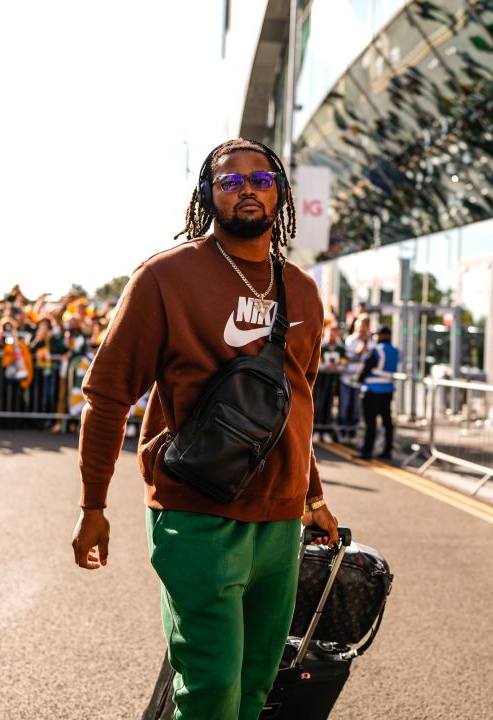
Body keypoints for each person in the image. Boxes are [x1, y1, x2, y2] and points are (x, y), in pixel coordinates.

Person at [70, 138, 338, 720]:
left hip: (280, 521)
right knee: (211, 686)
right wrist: (94, 505)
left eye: (260, 179)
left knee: (255, 686)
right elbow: (106, 394)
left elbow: (297, 402)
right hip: (195, 512)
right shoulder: (165, 278)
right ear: (206, 194)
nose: (246, 188)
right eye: (229, 180)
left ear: (281, 192)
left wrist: (313, 496)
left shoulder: (306, 292)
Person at [356, 326, 400, 460]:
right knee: (387, 422)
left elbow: (366, 368)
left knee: (371, 423)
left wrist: (360, 379)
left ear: (381, 336)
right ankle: (387, 452)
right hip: (388, 390)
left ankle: (367, 451)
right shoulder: (396, 351)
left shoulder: (377, 351)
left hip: (372, 390)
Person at [339, 313, 372, 442]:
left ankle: (352, 434)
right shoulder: (351, 340)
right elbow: (346, 360)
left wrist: (366, 352)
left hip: (361, 381)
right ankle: (342, 432)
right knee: (344, 408)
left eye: (365, 325)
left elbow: (370, 361)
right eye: (360, 324)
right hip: (347, 379)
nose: (362, 328)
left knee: (356, 410)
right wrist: (358, 353)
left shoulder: (371, 342)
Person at [313, 324, 346, 441]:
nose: (333, 334)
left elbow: (343, 364)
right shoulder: (322, 345)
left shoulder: (341, 348)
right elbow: (316, 362)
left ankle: (326, 431)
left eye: (335, 332)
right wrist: (326, 366)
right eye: (331, 331)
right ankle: (316, 430)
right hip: (320, 381)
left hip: (333, 381)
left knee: (329, 405)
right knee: (318, 404)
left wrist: (337, 367)